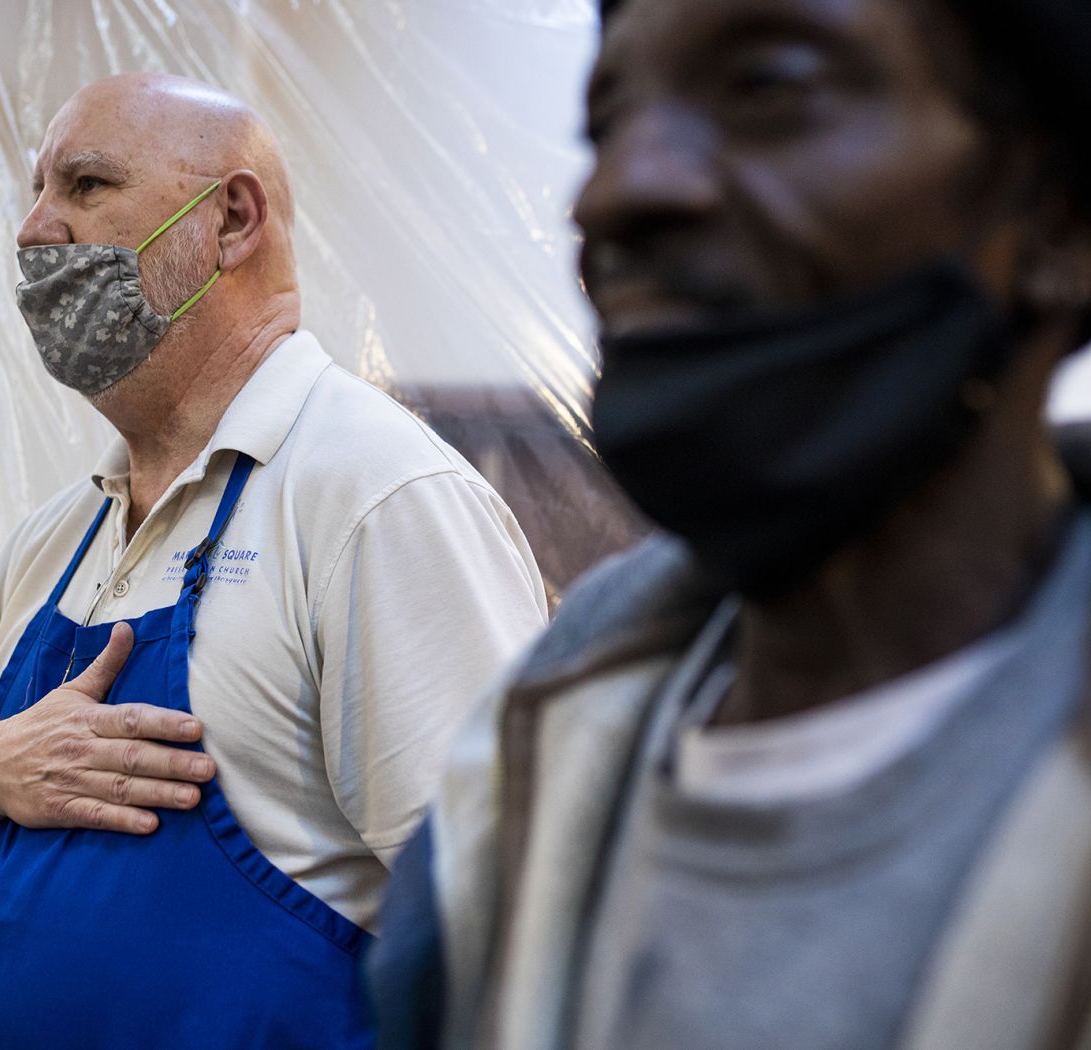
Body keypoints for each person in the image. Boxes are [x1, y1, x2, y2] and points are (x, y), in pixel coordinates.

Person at [368, 0, 1091, 1047]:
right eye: (606, 121)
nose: (615, 191)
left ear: (1061, 223)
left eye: (768, 87)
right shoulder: (546, 732)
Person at [0, 72, 548, 1049]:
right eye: (36, 189)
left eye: (86, 186)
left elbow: (527, 924)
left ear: (230, 220)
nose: (33, 231)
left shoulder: (373, 497)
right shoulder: (58, 536)